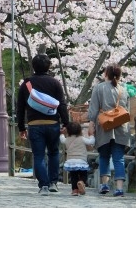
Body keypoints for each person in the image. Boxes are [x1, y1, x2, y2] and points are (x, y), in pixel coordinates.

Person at [16, 53, 69, 195]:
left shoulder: (26, 84)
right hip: (53, 123)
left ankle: (43, 185)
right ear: (49, 66)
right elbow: (62, 105)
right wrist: (66, 123)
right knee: (53, 153)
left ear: (33, 66)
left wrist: (21, 127)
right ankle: (53, 182)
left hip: (34, 124)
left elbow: (20, 108)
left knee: (38, 155)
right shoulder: (55, 83)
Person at [87, 63, 131, 197]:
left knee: (104, 156)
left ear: (106, 74)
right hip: (120, 127)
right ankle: (119, 188)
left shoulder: (99, 88)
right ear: (119, 75)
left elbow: (94, 109)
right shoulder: (124, 90)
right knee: (119, 158)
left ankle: (104, 185)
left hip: (104, 126)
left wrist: (91, 123)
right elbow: (127, 111)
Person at [60, 121, 95, 196]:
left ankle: (75, 190)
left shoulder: (67, 139)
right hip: (81, 160)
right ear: (80, 130)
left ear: (68, 130)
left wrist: (62, 133)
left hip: (71, 161)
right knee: (84, 174)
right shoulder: (82, 139)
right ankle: (82, 182)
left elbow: (62, 140)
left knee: (73, 176)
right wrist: (91, 135)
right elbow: (91, 142)